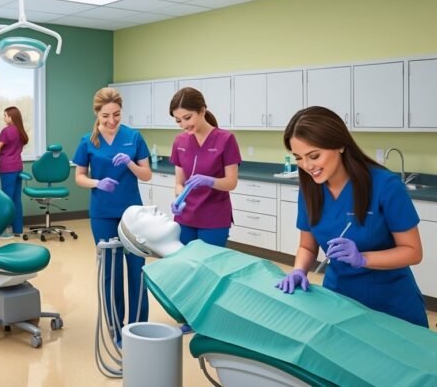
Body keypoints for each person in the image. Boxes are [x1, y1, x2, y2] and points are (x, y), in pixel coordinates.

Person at [276, 106, 428, 327]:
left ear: (339, 145)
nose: (307, 166)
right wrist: (299, 270)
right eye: (298, 158)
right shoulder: (309, 189)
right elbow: (308, 247)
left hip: (391, 302)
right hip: (339, 299)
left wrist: (363, 259)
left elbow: (413, 252)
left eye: (314, 155)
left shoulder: (384, 185)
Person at [73, 87, 152, 341]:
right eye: (106, 115)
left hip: (132, 214)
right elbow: (79, 177)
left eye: (117, 114)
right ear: (97, 113)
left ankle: (138, 330)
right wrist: (97, 183)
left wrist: (129, 163)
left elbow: (147, 174)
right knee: (111, 272)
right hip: (103, 214)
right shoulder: (88, 141)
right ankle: (116, 330)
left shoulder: (134, 137)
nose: (112, 121)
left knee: (137, 270)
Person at [168, 87, 241, 247]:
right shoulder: (179, 141)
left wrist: (210, 181)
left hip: (214, 218)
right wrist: (179, 199)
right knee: (185, 265)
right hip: (185, 218)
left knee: (208, 266)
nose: (184, 125)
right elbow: (179, 182)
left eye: (187, 117)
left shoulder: (226, 139)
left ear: (202, 110)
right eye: (178, 120)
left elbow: (231, 182)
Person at [0, 106, 29, 238]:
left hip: (7, 168)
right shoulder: (21, 131)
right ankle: (18, 229)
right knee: (16, 199)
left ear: (12, 117)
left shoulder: (6, 131)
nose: (4, 117)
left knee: (6, 199)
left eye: (5, 115)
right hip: (18, 166)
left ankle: (6, 231)